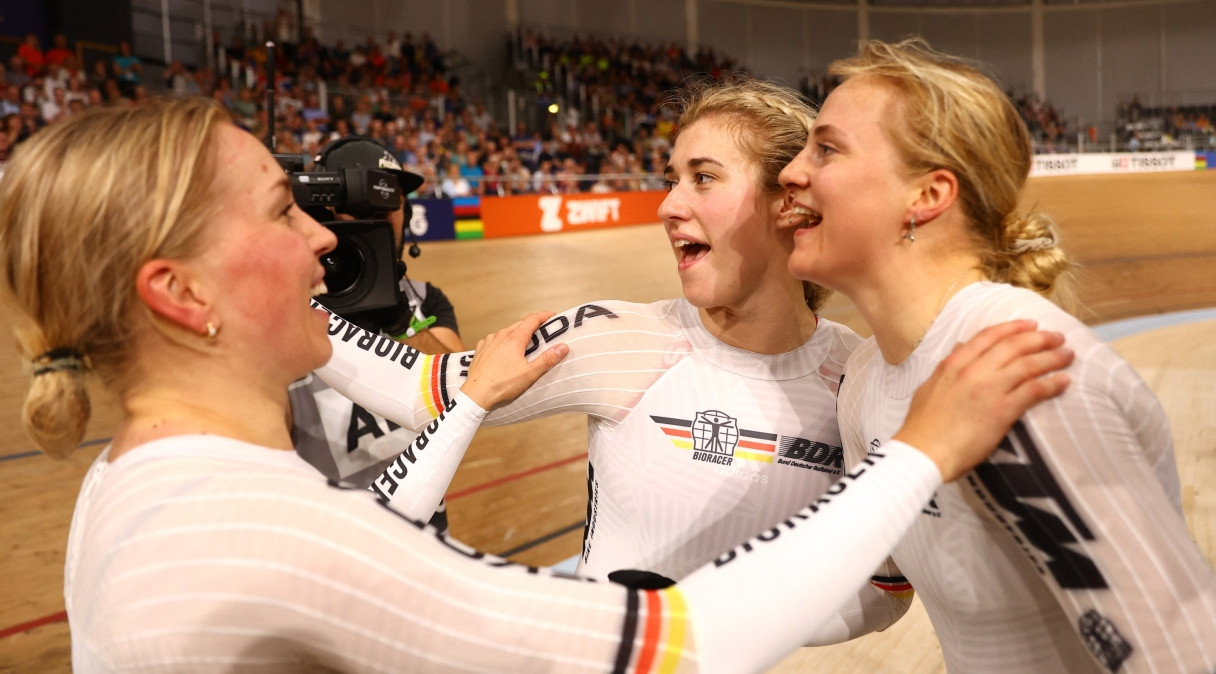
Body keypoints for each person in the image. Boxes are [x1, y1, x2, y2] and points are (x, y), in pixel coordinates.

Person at [0, 97, 1072, 673]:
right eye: (284, 210)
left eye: (704, 176)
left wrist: (461, 396)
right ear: (179, 294)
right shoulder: (264, 531)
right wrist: (921, 451)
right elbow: (681, 642)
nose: (328, 236)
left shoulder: (142, 484)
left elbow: (377, 514)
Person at [311, 78, 1061, 645]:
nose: (668, 204)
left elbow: (885, 592)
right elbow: (419, 391)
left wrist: (696, 631)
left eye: (702, 178)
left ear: (786, 201)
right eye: (671, 177)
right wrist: (278, 293)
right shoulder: (613, 337)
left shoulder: (861, 381)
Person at [777, 37, 1216, 673]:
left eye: (826, 148)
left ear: (928, 196)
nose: (790, 170)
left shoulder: (1020, 370)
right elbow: (881, 585)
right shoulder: (865, 379)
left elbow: (1183, 656)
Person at [290, 135, 465, 499]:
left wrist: (401, 321)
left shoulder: (424, 299)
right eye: (360, 206)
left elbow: (460, 399)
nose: (379, 220)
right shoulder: (285, 310)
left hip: (423, 529)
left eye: (390, 203)